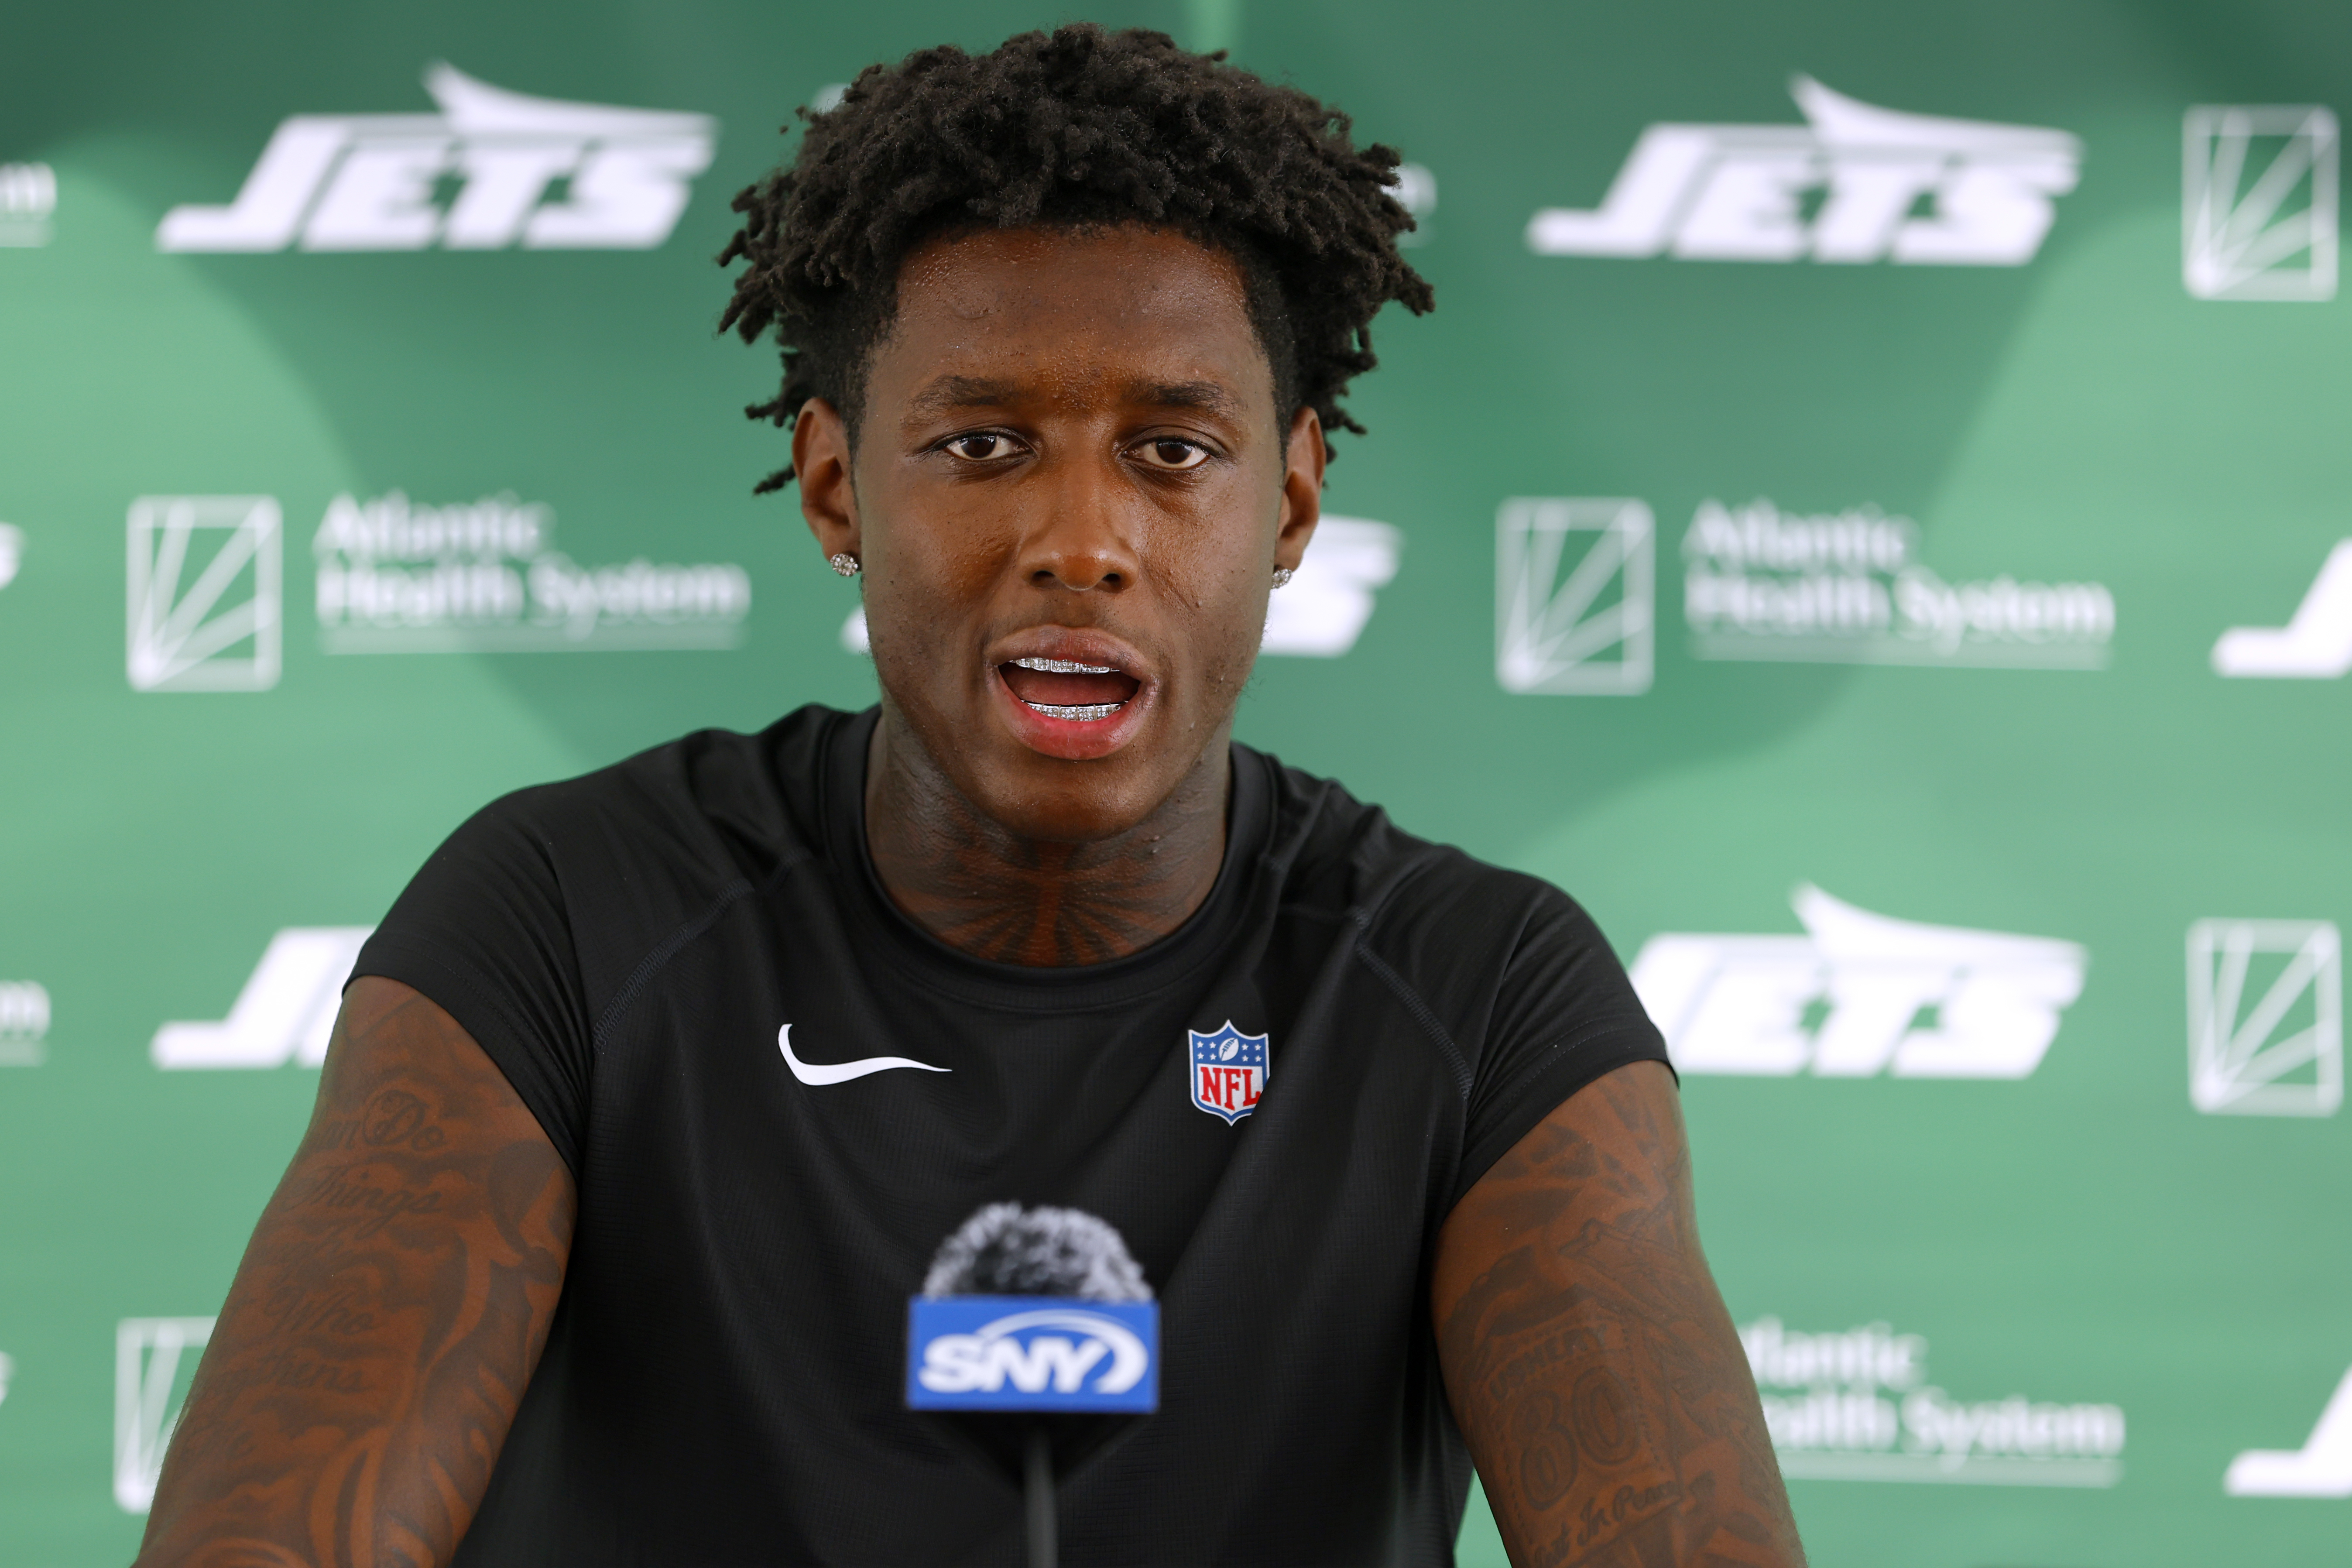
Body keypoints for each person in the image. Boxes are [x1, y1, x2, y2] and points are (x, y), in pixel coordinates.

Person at [135, 26, 1803, 1568]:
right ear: (833, 484)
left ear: (1292, 501)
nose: (1082, 538)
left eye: (1173, 450)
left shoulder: (1481, 990)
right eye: (985, 445)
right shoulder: (568, 916)